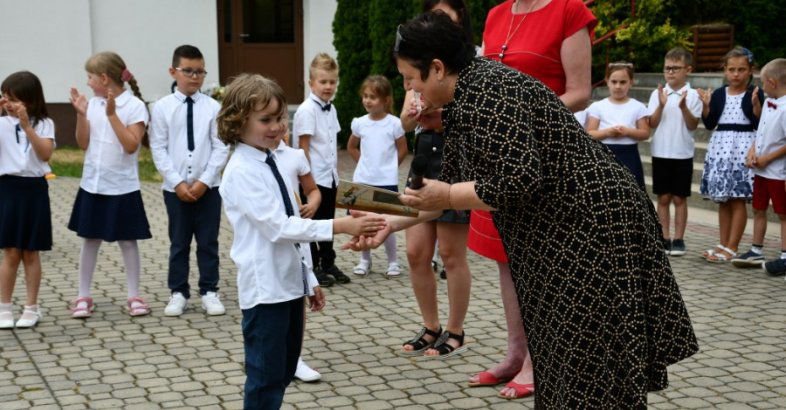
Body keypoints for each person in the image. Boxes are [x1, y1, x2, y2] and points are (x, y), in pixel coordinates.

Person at [350, 12, 698, 408]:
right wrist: (389, 222)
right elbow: (448, 192)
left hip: (592, 228)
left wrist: (446, 196)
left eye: (410, 78)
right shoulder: (466, 95)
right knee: (561, 355)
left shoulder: (491, 92)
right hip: (564, 230)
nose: (409, 89)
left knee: (591, 360)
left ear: (437, 68)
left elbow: (513, 182)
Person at [216, 73, 385, 409]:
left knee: (282, 372)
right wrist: (340, 226)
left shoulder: (275, 159)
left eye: (280, 117)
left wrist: (307, 278)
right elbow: (280, 228)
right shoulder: (241, 171)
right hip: (266, 291)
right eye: (266, 120)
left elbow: (297, 227)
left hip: (289, 285)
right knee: (265, 380)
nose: (277, 126)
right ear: (237, 122)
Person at [471, 0, 596, 399]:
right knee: (506, 256)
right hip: (499, 154)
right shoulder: (496, 14)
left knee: (539, 259)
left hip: (547, 154)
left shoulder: (569, 10)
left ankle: (539, 361)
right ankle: (515, 352)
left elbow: (579, 92)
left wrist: (524, 119)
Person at [397, 0, 474, 359]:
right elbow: (405, 123)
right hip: (425, 156)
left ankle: (456, 330)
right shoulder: (418, 65)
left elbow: (470, 121)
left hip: (456, 157)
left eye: (447, 18)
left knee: (450, 252)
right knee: (415, 251)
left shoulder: (468, 67)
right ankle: (430, 326)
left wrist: (443, 113)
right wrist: (417, 110)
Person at [68, 51, 152, 318]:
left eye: (90, 77)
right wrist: (81, 115)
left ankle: (134, 295)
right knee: (89, 239)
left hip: (123, 186)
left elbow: (130, 146)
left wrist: (113, 115)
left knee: (128, 241)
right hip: (93, 184)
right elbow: (83, 143)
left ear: (104, 78)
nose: (88, 82)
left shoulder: (134, 106)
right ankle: (83, 295)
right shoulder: (92, 104)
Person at [149, 45, 229, 316]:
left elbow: (221, 147)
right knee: (179, 241)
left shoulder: (213, 107)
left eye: (200, 72)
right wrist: (178, 183)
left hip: (209, 188)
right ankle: (178, 291)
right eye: (188, 71)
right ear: (174, 72)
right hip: (176, 189)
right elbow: (158, 148)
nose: (195, 77)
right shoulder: (161, 108)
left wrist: (205, 181)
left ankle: (209, 290)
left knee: (208, 241)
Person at [697, 47, 764, 263]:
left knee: (737, 200)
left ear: (750, 71)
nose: (736, 74)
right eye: (731, 69)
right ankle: (722, 242)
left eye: (741, 69)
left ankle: (732, 247)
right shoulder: (719, 93)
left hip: (742, 150)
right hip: (720, 149)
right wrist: (706, 107)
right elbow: (709, 124)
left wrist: (756, 106)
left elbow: (760, 124)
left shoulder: (755, 93)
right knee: (723, 201)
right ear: (725, 71)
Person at [0, 71, 55, 328]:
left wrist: (26, 126)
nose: (8, 103)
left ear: (30, 100)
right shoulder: (1, 123)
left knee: (31, 252)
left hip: (34, 189)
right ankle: (4, 307)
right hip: (8, 189)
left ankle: (32, 307)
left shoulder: (44, 123)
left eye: (14, 98)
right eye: (4, 97)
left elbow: (44, 154)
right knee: (11, 251)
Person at [292, 53, 351, 287]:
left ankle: (328, 262)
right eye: (323, 82)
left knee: (328, 221)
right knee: (314, 223)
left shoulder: (330, 108)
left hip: (330, 177)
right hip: (314, 180)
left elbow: (329, 145)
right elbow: (303, 148)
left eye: (332, 82)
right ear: (311, 83)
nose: (328, 86)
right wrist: (309, 183)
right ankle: (314, 265)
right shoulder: (307, 110)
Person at [348, 75, 408, 276]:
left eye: (372, 97)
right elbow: (351, 147)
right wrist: (365, 165)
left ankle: (393, 261)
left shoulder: (394, 124)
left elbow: (403, 149)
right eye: (365, 96)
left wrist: (389, 168)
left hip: (386, 182)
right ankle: (365, 260)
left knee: (385, 222)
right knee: (363, 222)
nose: (367, 100)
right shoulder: (360, 123)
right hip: (363, 180)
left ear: (386, 100)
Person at [647, 47, 703, 256]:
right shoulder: (657, 93)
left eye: (675, 68)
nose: (670, 72)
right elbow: (652, 123)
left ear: (687, 69)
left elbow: (692, 125)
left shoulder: (694, 95)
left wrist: (683, 108)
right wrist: (661, 105)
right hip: (661, 152)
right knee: (663, 197)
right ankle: (664, 236)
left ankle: (679, 239)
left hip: (682, 154)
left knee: (679, 198)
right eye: (667, 68)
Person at [736, 58, 786, 276]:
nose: (761, 86)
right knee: (758, 208)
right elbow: (761, 132)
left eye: (763, 82)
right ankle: (756, 249)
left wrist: (769, 158)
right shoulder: (768, 102)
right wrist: (753, 151)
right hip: (761, 170)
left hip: (778, 171)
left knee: (783, 213)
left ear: (773, 82)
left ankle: (785, 255)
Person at [586, 62, 650, 188]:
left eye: (623, 82)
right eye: (614, 81)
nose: (618, 86)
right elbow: (590, 133)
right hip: (603, 155)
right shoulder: (597, 106)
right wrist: (607, 133)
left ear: (631, 82)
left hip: (629, 155)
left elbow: (645, 133)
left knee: (631, 192)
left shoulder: (638, 106)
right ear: (607, 81)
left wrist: (627, 131)